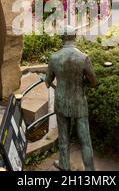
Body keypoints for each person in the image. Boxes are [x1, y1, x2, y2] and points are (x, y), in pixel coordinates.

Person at [45, 26, 98, 171]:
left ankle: (64, 164)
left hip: (61, 102)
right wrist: (82, 83)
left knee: (63, 136)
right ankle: (90, 169)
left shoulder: (54, 58)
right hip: (79, 101)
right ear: (75, 36)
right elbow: (94, 82)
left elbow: (47, 81)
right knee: (85, 139)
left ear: (62, 37)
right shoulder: (83, 57)